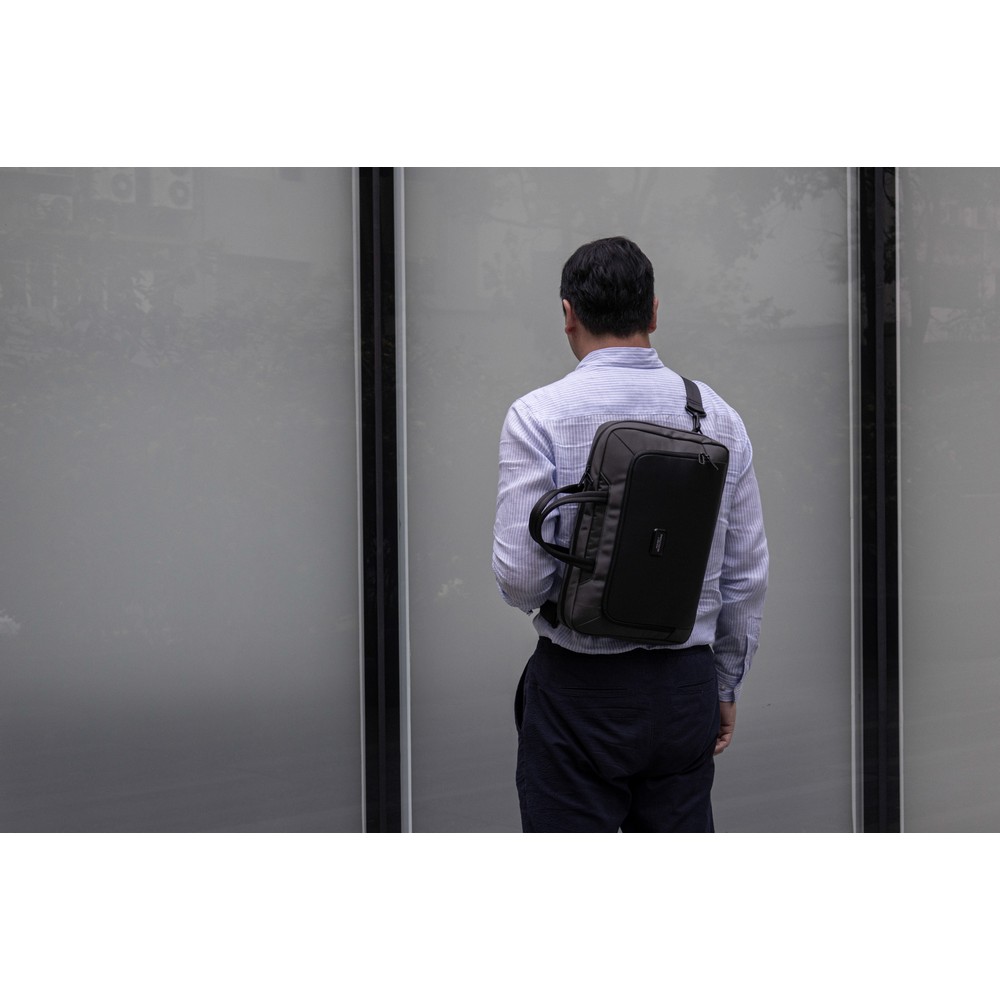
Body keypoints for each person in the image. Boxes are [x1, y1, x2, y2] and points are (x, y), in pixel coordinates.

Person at [492, 236, 768, 833]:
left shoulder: (537, 415)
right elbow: (746, 575)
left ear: (568, 313)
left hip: (578, 687)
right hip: (685, 686)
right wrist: (724, 684)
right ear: (654, 312)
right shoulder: (719, 417)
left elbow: (521, 579)